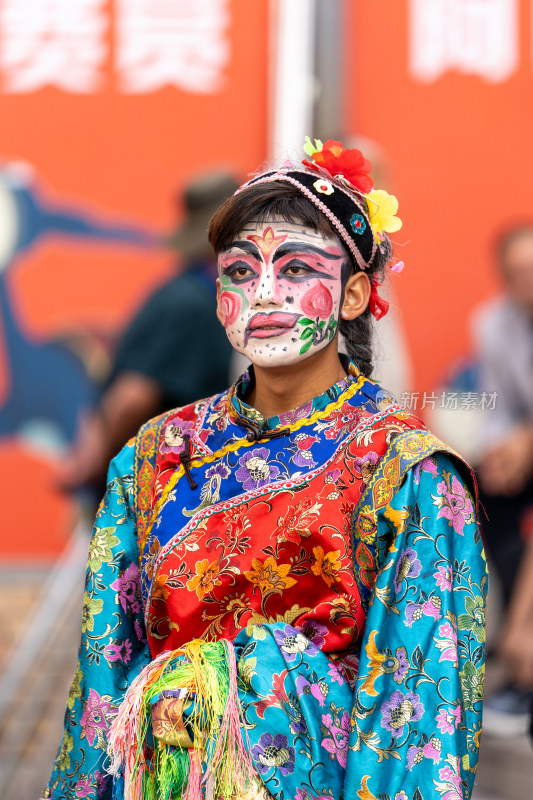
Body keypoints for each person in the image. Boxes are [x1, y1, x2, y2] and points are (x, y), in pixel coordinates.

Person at [42, 139, 487, 800]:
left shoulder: (406, 473)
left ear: (354, 293)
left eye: (298, 268)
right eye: (240, 271)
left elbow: (418, 720)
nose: (264, 292)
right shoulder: (155, 454)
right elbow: (103, 680)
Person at [56, 171, 237, 496]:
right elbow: (133, 397)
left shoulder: (176, 290)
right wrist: (103, 472)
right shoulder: (193, 306)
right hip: (156, 487)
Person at [472, 223, 533, 734]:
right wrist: (498, 451)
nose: (527, 281)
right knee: (485, 490)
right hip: (524, 445)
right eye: (517, 273)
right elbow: (499, 404)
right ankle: (516, 658)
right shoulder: (494, 324)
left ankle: (523, 635)